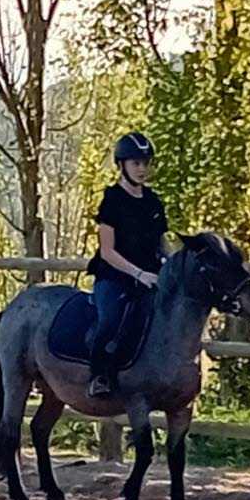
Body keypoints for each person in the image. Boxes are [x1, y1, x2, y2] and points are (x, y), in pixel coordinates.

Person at [85, 132, 167, 399]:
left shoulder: (154, 202)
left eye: (145, 163)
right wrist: (139, 273)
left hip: (151, 277)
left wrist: (169, 267)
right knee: (109, 319)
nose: (142, 169)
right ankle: (98, 375)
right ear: (121, 165)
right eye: (136, 163)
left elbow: (162, 243)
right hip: (114, 276)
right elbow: (107, 251)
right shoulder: (112, 201)